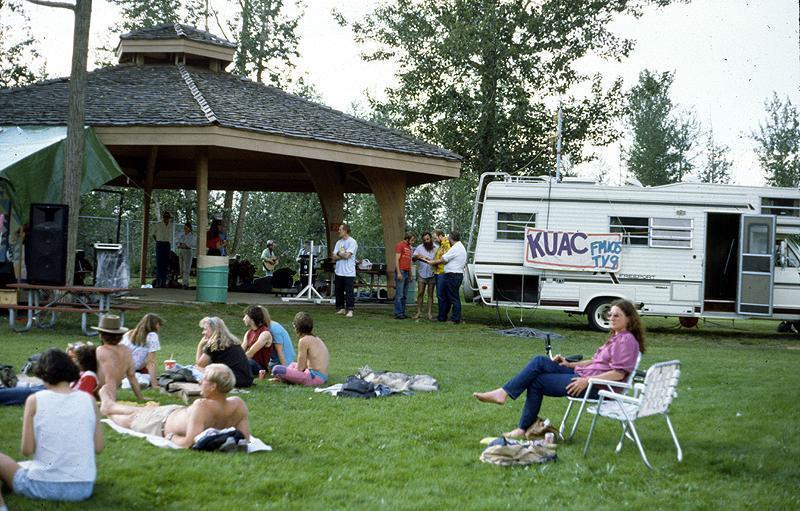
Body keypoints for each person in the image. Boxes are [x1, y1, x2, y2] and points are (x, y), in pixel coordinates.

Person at [474, 299, 644, 438]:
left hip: (598, 387)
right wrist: (569, 364)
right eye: (610, 314)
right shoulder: (616, 337)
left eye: (617, 315)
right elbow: (595, 362)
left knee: (537, 382)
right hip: (585, 376)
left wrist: (587, 381)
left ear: (629, 319)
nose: (612, 318)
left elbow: (618, 373)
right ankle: (506, 399)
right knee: (540, 361)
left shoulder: (626, 340)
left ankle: (516, 419)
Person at [0, 349, 103, 505]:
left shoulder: (35, 400)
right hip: (83, 487)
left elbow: (27, 450)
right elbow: (99, 447)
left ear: (42, 373)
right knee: (23, 466)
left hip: (42, 485)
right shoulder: (88, 400)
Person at [101, 363, 250, 449]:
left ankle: (109, 410)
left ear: (213, 387)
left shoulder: (202, 406)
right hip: (173, 412)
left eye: (203, 380)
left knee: (131, 420)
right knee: (142, 410)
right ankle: (110, 404)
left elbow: (188, 443)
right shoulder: (238, 404)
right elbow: (245, 440)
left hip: (160, 423)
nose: (199, 383)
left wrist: (170, 437)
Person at [94, 315, 144, 402]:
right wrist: (140, 397)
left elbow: (110, 378)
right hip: (109, 391)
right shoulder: (127, 350)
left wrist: (111, 400)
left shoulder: (102, 350)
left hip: (99, 393)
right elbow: (131, 375)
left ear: (101, 335)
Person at [272, 312, 329, 386]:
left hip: (314, 377)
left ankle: (284, 378)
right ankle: (286, 376)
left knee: (277, 369)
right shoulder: (317, 338)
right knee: (292, 364)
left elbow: (301, 368)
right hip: (322, 376)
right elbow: (304, 364)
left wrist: (290, 374)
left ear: (296, 327)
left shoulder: (303, 341)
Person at [195, 316, 253, 388]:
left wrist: (200, 345)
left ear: (214, 329)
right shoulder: (232, 341)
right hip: (246, 379)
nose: (203, 332)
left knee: (197, 369)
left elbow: (200, 364)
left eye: (205, 329)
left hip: (233, 380)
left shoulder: (215, 343)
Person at [425, 231, 466, 324]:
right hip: (455, 274)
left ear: (451, 238)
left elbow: (443, 259)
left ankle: (455, 319)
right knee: (450, 296)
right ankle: (444, 317)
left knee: (453, 298)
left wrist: (432, 262)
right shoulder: (459, 246)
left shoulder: (455, 248)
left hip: (453, 275)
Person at [121, 313, 163, 389]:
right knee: (146, 378)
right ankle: (133, 382)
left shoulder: (128, 333)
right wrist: (155, 384)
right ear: (156, 325)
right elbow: (151, 362)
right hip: (132, 369)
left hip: (120, 367)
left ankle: (127, 380)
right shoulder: (152, 336)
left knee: (141, 374)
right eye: (159, 325)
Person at [332, 223, 358, 318]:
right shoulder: (338, 243)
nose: (338, 231)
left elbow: (348, 256)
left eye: (340, 229)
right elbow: (334, 257)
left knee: (349, 292)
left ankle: (350, 310)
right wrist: (341, 254)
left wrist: (339, 254)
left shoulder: (352, 242)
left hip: (349, 272)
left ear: (345, 231)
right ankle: (341, 308)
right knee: (339, 291)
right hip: (339, 271)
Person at [412, 232, 438, 321]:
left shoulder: (436, 248)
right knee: (420, 293)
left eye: (428, 239)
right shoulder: (419, 247)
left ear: (431, 238)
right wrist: (417, 256)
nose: (426, 241)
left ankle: (429, 313)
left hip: (432, 274)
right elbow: (413, 259)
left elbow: (439, 260)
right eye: (424, 240)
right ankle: (418, 312)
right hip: (422, 274)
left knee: (430, 294)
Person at [241, 305, 273, 376]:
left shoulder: (265, 333)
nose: (243, 319)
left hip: (259, 367)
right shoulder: (248, 333)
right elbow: (241, 350)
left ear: (252, 318)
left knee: (247, 362)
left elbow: (250, 353)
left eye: (246, 316)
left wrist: (236, 361)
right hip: (248, 361)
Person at [393, 232, 416, 319]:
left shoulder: (409, 248)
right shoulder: (400, 245)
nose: (413, 242)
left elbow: (409, 261)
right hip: (401, 271)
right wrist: (398, 272)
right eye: (412, 240)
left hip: (407, 271)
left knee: (405, 294)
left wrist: (410, 274)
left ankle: (402, 312)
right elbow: (396, 260)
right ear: (407, 239)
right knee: (400, 294)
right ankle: (398, 313)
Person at [431, 230, 450, 320]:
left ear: (440, 236)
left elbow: (445, 258)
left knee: (441, 295)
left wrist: (434, 262)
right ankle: (442, 315)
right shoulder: (441, 246)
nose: (434, 240)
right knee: (441, 295)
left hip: (443, 272)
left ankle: (442, 316)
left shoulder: (446, 243)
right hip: (438, 272)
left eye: (435, 238)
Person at [152, 211, 172, 288]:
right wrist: (157, 241)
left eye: (168, 217)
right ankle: (158, 282)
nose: (167, 219)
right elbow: (153, 233)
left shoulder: (170, 225)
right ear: (163, 217)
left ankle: (163, 282)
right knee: (159, 263)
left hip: (167, 244)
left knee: (166, 263)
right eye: (165, 217)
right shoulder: (158, 224)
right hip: (160, 244)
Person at [175, 222, 195, 290]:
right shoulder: (182, 235)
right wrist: (181, 244)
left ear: (190, 228)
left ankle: (185, 284)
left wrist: (182, 244)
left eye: (186, 228)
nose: (185, 229)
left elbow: (188, 245)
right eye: (184, 227)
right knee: (181, 267)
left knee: (186, 268)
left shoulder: (191, 236)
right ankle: (183, 282)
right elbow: (178, 243)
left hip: (187, 251)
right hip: (181, 251)